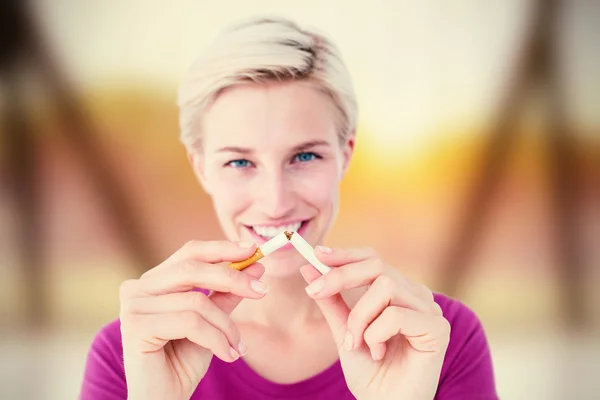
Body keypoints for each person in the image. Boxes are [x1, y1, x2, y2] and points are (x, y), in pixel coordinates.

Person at [80, 16, 498, 400]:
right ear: (201, 168)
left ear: (345, 154)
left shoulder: (437, 337)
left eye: (305, 157)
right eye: (240, 162)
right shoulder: (136, 348)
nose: (276, 201)